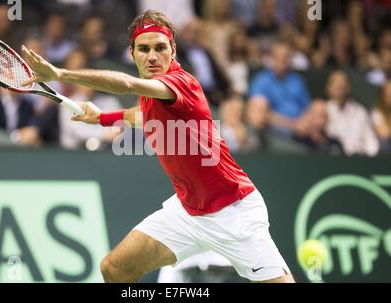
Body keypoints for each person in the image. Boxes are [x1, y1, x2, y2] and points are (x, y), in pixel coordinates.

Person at [21, 10, 293, 283]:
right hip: (187, 212)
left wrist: (60, 73)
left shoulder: (181, 83)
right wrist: (102, 117)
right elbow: (143, 115)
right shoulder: (152, 92)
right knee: (115, 269)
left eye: (160, 48)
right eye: (144, 49)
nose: (152, 56)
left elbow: (126, 84)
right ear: (133, 53)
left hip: (232, 214)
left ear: (172, 50)